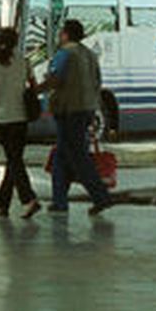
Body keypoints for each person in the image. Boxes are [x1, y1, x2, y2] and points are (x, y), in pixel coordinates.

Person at [37, 19, 114, 215]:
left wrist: (34, 91)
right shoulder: (90, 54)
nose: (59, 36)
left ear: (66, 34)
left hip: (69, 110)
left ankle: (101, 196)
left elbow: (54, 79)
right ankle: (59, 201)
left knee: (78, 156)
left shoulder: (65, 53)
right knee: (61, 156)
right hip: (87, 108)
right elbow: (98, 81)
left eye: (61, 32)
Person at [0, 26, 40, 218]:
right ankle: (3, 204)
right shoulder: (24, 60)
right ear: (16, 42)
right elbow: (33, 86)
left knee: (14, 160)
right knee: (14, 160)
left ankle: (29, 199)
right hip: (21, 117)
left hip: (4, 117)